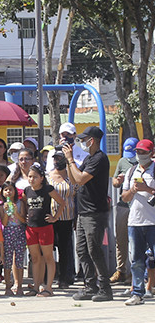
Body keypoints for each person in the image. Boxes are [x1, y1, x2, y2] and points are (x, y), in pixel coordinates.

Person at [63, 126, 113, 302]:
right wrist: (68, 162)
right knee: (82, 250)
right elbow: (73, 179)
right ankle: (90, 286)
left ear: (92, 140)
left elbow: (80, 178)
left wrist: (70, 160)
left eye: (85, 139)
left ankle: (105, 288)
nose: (82, 142)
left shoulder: (99, 158)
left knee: (95, 250)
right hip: (83, 212)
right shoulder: (90, 158)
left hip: (94, 212)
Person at [121, 139, 155, 305]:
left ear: (151, 153)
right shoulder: (131, 171)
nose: (140, 155)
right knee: (136, 260)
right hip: (135, 222)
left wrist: (147, 189)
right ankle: (138, 293)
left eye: (143, 152)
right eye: (138, 152)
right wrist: (133, 190)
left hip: (153, 222)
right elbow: (124, 197)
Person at [24, 164, 65, 297]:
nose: (32, 179)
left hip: (45, 227)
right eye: (30, 176)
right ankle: (36, 286)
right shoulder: (27, 190)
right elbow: (26, 205)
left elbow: (61, 202)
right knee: (35, 258)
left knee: (48, 257)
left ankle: (48, 287)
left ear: (42, 178)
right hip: (31, 228)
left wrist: (55, 217)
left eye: (35, 177)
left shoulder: (47, 189)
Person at [110, 137, 139, 285]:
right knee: (120, 240)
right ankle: (121, 270)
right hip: (123, 204)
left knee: (137, 241)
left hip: (138, 205)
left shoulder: (145, 164)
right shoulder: (122, 161)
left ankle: (136, 273)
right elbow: (114, 182)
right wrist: (118, 181)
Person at [48, 152, 77, 288]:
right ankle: (47, 277)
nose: (57, 161)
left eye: (60, 158)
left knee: (65, 250)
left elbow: (77, 196)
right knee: (48, 249)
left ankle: (64, 277)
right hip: (50, 218)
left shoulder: (72, 177)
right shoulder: (48, 177)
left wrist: (77, 217)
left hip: (67, 218)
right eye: (55, 158)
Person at [0, 182, 27, 296]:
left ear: (14, 191)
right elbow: (4, 223)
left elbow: (23, 220)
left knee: (19, 260)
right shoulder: (1, 206)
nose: (8, 192)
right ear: (2, 192)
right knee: (7, 261)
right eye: (6, 190)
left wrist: (16, 212)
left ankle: (19, 286)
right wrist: (6, 212)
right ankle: (7, 287)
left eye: (10, 189)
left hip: (19, 231)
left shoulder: (20, 203)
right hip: (8, 232)